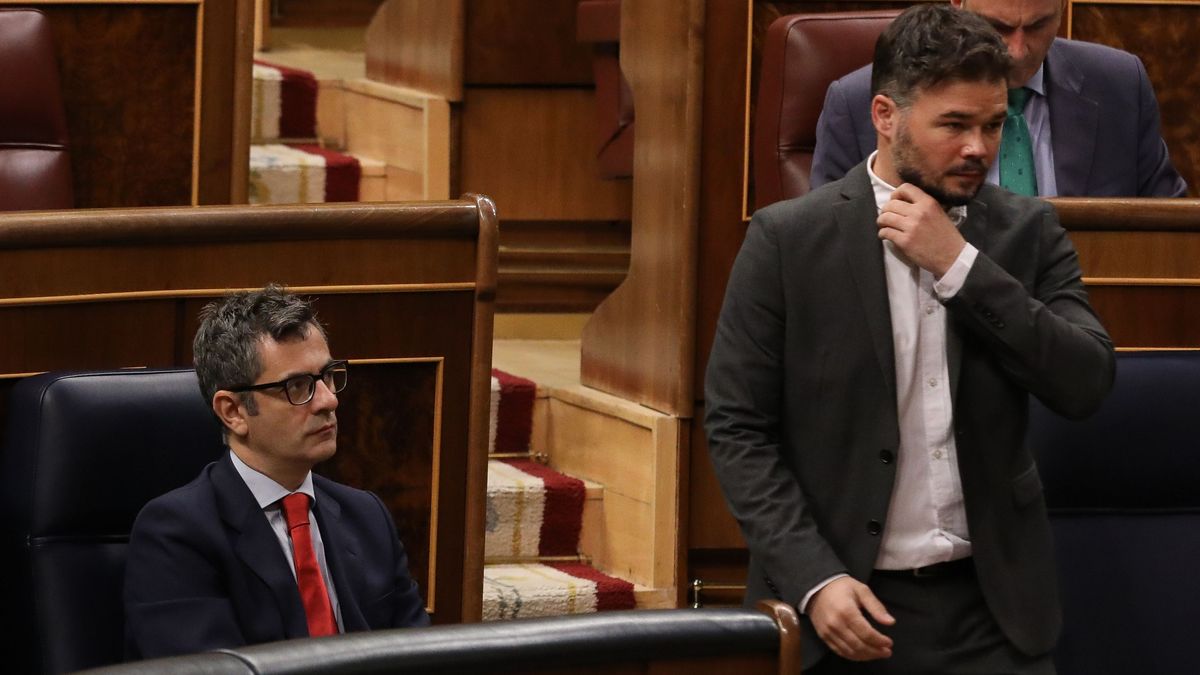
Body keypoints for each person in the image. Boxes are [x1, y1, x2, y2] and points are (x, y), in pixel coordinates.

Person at [706, 5, 1115, 673]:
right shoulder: (786, 241)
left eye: (992, 124)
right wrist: (815, 578)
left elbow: (1086, 381)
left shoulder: (1026, 233)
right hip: (842, 606)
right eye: (953, 125)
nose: (979, 148)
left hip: (994, 614)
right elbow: (737, 427)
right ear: (886, 117)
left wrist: (961, 266)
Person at [125, 285, 429, 659]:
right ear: (233, 411)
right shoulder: (176, 535)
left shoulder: (367, 517)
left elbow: (421, 655)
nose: (329, 400)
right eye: (298, 386)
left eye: (328, 376)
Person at [811, 0, 1187, 198]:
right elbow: (828, 239)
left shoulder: (1120, 85)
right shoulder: (860, 101)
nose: (1018, 51)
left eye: (1038, 26)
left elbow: (1164, 229)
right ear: (958, 3)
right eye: (999, 28)